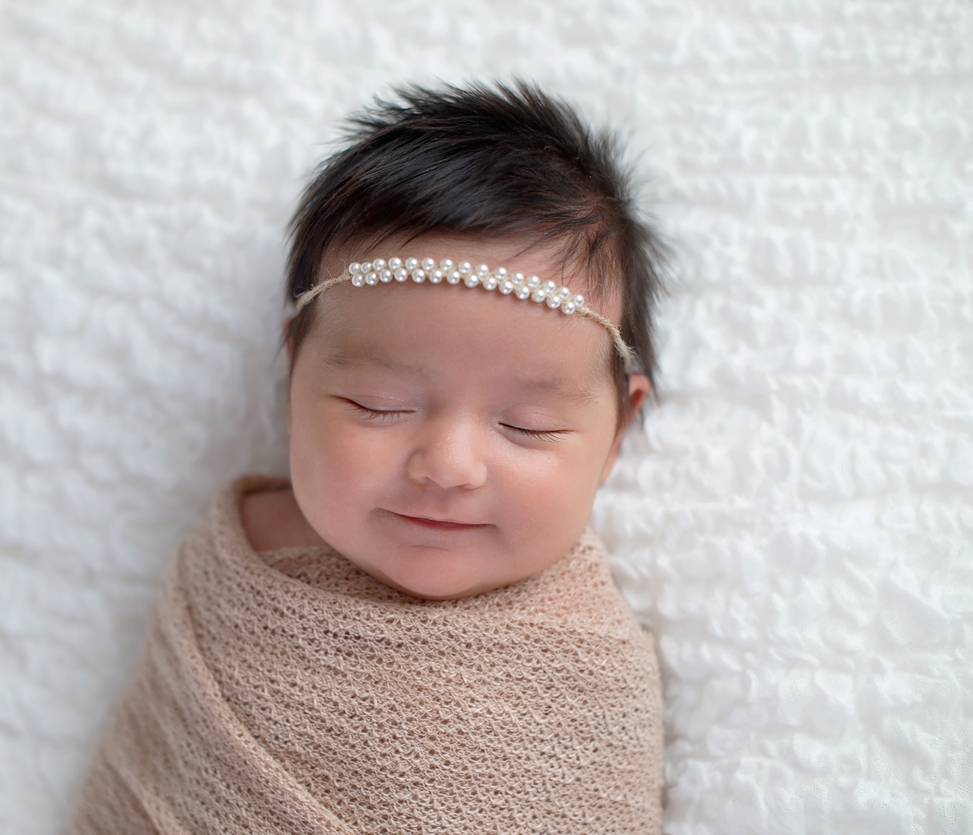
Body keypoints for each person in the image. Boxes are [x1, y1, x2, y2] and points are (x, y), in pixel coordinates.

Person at [72, 81, 667, 834]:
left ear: (617, 429)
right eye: (376, 405)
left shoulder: (583, 671)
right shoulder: (236, 564)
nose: (448, 465)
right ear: (295, 373)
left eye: (527, 424)